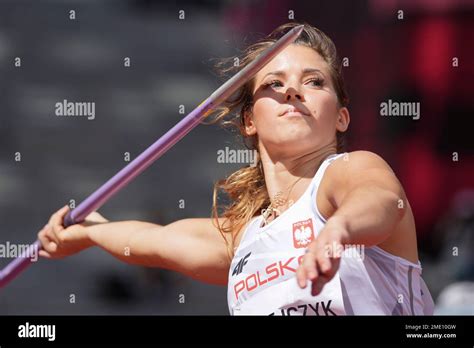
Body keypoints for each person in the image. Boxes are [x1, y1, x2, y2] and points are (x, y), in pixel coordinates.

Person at [37, 22, 434, 315]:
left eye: (314, 82)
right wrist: (89, 232)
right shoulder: (244, 238)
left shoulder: (348, 173)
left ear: (342, 118)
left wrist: (337, 230)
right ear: (249, 121)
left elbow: (382, 201)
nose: (293, 90)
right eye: (274, 84)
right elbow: (155, 241)